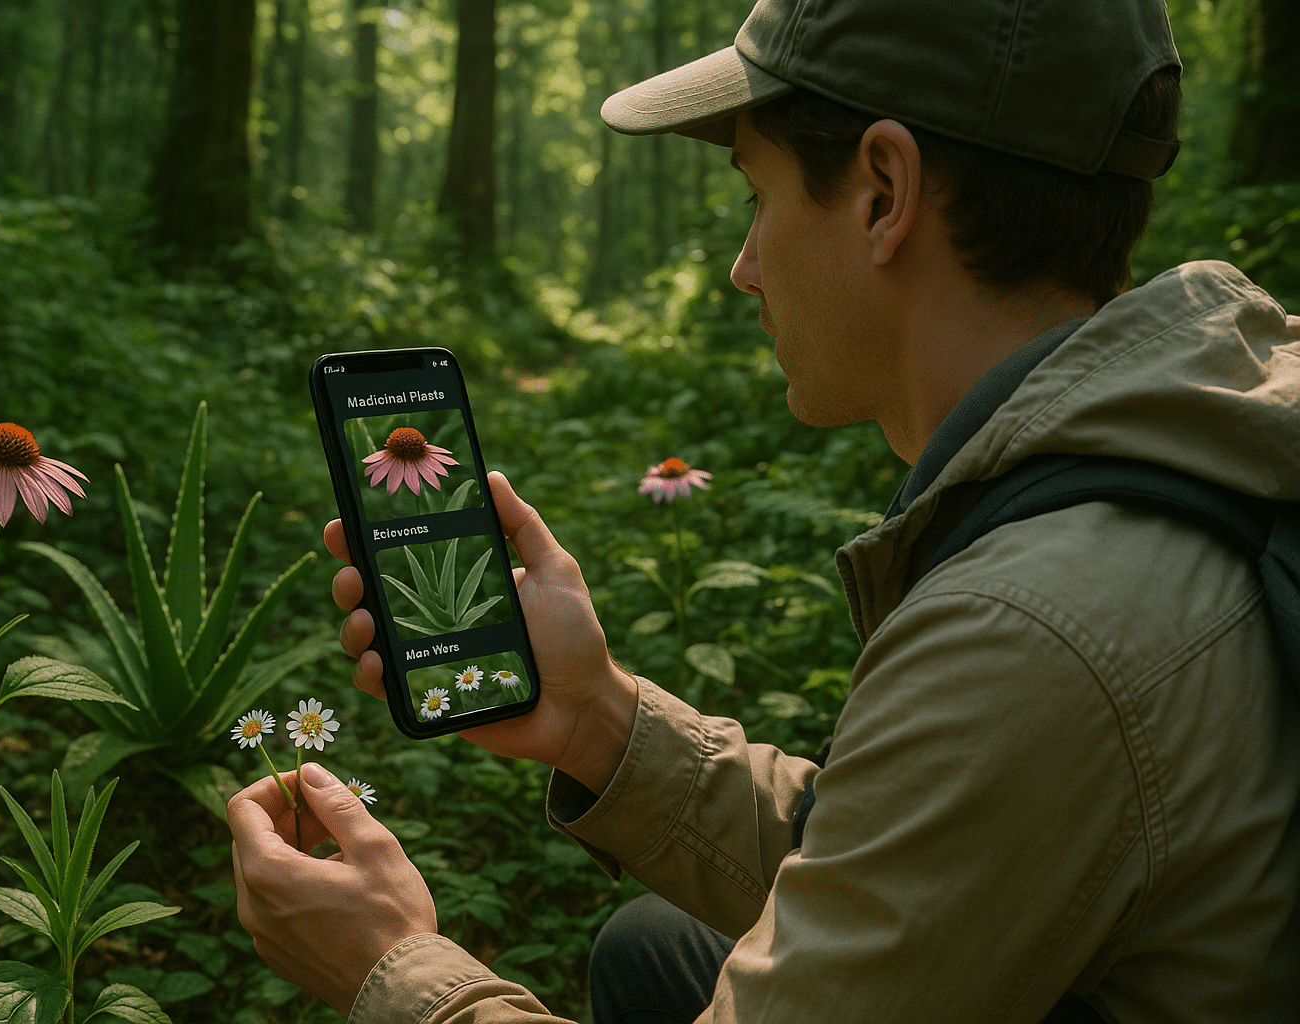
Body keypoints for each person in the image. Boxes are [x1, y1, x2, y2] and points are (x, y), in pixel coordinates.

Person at [227, 0, 1300, 1019]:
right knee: (655, 948)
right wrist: (597, 717)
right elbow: (904, 854)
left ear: (883, 190)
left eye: (758, 193)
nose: (745, 267)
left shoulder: (1034, 626)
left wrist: (391, 967)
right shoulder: (1199, 432)